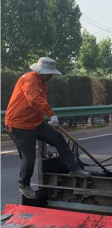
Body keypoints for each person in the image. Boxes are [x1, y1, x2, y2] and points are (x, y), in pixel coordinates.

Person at [5, 57, 90, 199]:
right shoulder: (28, 79)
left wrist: (46, 117)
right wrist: (51, 114)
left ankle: (73, 168)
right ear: (41, 72)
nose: (51, 76)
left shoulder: (43, 84)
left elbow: (38, 103)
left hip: (36, 123)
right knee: (29, 158)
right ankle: (24, 184)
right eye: (49, 74)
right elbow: (34, 99)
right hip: (19, 125)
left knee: (58, 138)